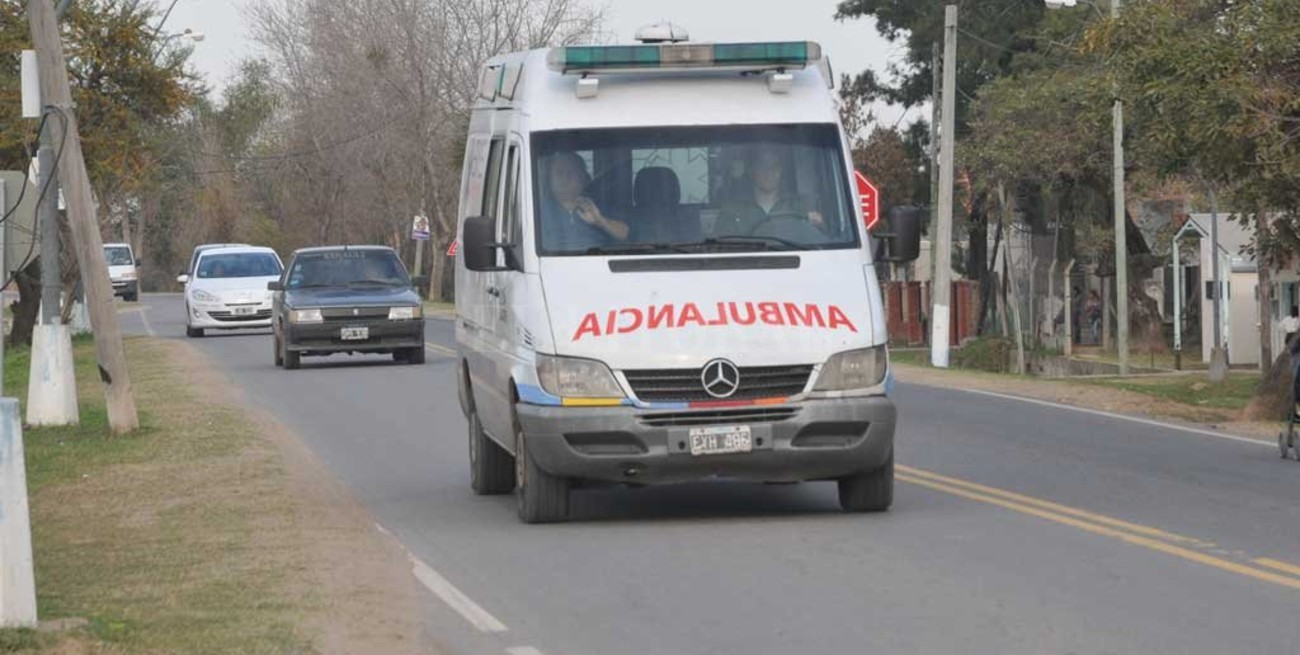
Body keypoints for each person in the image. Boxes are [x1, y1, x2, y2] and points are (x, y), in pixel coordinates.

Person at [713, 147, 824, 237]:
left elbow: (821, 242)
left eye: (775, 166)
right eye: (762, 165)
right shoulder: (732, 210)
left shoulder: (801, 206)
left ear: (781, 171)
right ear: (752, 171)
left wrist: (819, 225)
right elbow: (720, 247)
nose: (769, 171)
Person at [539, 152, 628, 252]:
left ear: (582, 178)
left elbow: (625, 233)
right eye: (559, 173)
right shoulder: (537, 211)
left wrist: (600, 221)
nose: (565, 178)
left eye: (571, 172)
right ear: (550, 179)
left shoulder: (596, 206)